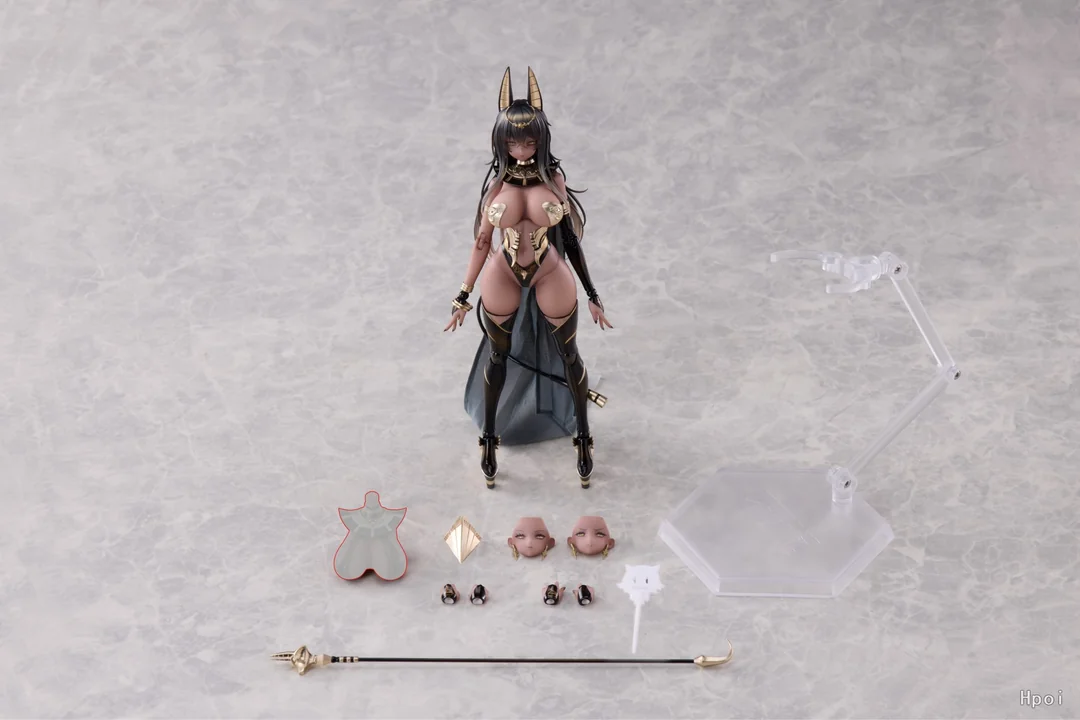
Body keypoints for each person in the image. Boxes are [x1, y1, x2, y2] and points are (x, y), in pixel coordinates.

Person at [444, 67, 612, 490]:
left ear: (542, 140)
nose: (521, 149)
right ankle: (489, 439)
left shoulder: (554, 180)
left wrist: (593, 293)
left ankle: (583, 438)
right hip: (503, 270)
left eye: (529, 141)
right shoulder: (495, 186)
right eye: (512, 142)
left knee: (569, 354)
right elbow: (482, 242)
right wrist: (462, 295)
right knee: (497, 357)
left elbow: (569, 239)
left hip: (549, 269)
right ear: (501, 142)